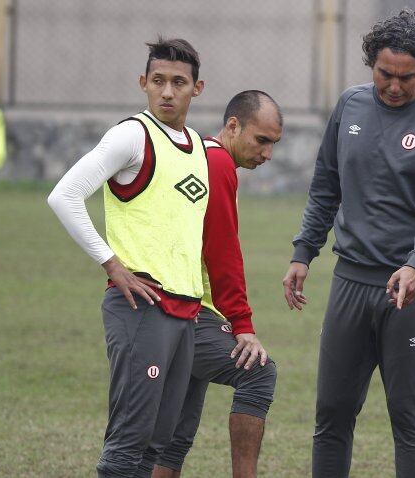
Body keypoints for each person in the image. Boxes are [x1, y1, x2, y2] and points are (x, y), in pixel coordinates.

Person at [281, 9, 415, 478]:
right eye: (385, 74)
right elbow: (326, 186)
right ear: (371, 64)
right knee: (332, 415)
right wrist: (304, 252)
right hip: (350, 283)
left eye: (407, 77)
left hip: (412, 292)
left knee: (409, 418)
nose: (395, 86)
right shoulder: (351, 106)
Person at [47, 38, 208, 477]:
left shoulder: (196, 144)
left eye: (179, 82)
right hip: (141, 307)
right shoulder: (131, 136)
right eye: (158, 81)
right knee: (128, 444)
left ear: (198, 88)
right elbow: (65, 195)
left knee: (157, 444)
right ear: (143, 83)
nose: (168, 92)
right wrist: (111, 263)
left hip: (184, 312)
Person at [147, 91, 282, 478]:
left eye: (273, 144)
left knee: (173, 437)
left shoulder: (200, 156)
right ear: (233, 126)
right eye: (261, 140)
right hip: (191, 309)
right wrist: (242, 325)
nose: (268, 153)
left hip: (173, 308)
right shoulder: (218, 162)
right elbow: (223, 252)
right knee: (258, 371)